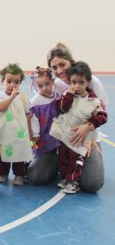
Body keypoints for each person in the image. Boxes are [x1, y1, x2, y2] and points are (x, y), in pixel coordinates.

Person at [47, 43, 108, 192]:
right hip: (65, 135)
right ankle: (64, 169)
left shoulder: (92, 82)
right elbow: (57, 105)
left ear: (71, 61)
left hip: (88, 137)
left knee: (92, 184)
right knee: (37, 175)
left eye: (62, 64)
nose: (59, 71)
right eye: (54, 68)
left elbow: (102, 112)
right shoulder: (58, 84)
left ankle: (75, 172)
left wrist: (87, 127)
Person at [0, 63, 32, 186]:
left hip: (20, 133)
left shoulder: (23, 97)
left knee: (19, 154)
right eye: (9, 81)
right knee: (4, 153)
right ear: (2, 81)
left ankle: (19, 175)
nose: (12, 85)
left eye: (16, 82)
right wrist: (12, 97)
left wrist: (30, 132)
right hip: (5, 132)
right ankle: (3, 174)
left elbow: (28, 115)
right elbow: (2, 108)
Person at [27, 67, 60, 185]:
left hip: (58, 133)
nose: (45, 88)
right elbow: (34, 119)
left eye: (47, 84)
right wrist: (35, 134)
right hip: (45, 135)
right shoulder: (36, 101)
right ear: (36, 86)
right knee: (44, 151)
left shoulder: (57, 94)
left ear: (52, 82)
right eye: (40, 86)